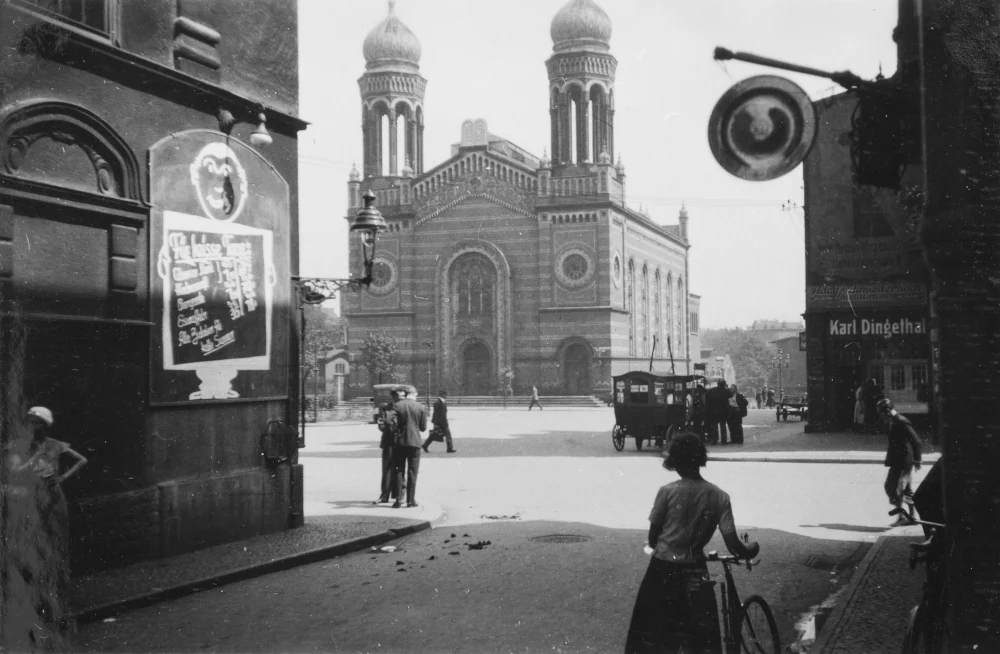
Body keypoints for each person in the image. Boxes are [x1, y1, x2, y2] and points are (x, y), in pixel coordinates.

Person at [625, 433, 760, 653]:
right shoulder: (720, 496)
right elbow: (733, 543)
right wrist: (750, 550)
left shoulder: (667, 491)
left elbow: (652, 537)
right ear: (699, 460)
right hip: (695, 569)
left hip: (662, 568)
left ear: (675, 462)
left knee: (651, 634)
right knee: (700, 637)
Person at [6, 406, 88, 648]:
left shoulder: (54, 444)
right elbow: (15, 471)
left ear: (45, 426)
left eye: (39, 423)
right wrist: (35, 458)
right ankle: (36, 602)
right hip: (31, 498)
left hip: (54, 499)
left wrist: (62, 479)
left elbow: (82, 460)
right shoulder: (18, 446)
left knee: (57, 543)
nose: (35, 426)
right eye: (31, 422)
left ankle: (57, 602)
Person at [877, 398, 923, 527]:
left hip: (904, 460)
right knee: (905, 489)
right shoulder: (891, 420)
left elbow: (916, 441)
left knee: (893, 487)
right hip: (898, 459)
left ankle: (902, 517)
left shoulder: (901, 421)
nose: (881, 415)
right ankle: (911, 517)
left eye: (882, 412)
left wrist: (917, 460)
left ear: (887, 410)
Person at [392, 389, 428, 508]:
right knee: (413, 472)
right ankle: (410, 500)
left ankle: (398, 499)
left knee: (399, 470)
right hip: (414, 442)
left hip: (400, 442)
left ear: (406, 394)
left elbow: (391, 422)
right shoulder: (421, 407)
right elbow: (423, 427)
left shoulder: (397, 405)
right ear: (414, 394)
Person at [374, 390, 402, 504]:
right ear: (393, 396)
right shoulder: (386, 408)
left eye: (402, 396)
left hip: (401, 443)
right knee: (387, 469)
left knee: (399, 470)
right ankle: (384, 496)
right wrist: (389, 427)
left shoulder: (404, 408)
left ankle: (399, 495)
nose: (399, 398)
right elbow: (381, 424)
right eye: (397, 396)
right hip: (389, 442)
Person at [704, 380, 730, 445]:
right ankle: (724, 440)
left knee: (714, 427)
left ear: (718, 384)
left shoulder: (711, 391)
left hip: (713, 412)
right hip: (722, 412)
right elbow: (730, 396)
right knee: (723, 426)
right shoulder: (725, 391)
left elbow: (707, 398)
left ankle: (714, 440)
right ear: (724, 384)